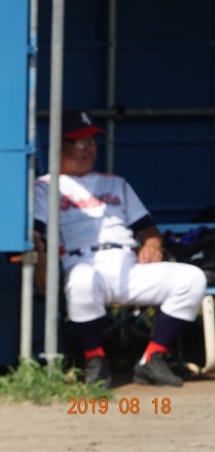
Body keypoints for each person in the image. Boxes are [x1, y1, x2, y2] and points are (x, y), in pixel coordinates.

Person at [33, 109, 207, 387]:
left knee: (192, 278)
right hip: (83, 262)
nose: (90, 148)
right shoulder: (45, 187)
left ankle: (152, 360)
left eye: (93, 141)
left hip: (128, 264)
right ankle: (95, 360)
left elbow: (148, 229)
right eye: (81, 142)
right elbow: (36, 235)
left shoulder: (115, 183)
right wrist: (41, 265)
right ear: (59, 144)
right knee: (82, 280)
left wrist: (152, 244)